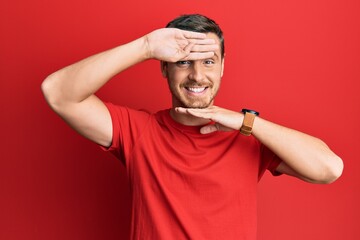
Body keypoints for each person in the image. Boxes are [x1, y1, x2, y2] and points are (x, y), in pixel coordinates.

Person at [41, 14, 343, 240]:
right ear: (164, 67)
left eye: (208, 62)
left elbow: (329, 168)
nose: (197, 76)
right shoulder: (139, 131)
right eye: (184, 62)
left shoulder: (248, 135)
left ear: (223, 66)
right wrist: (146, 46)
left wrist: (245, 121)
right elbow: (58, 93)